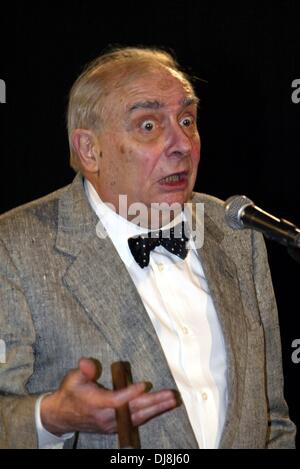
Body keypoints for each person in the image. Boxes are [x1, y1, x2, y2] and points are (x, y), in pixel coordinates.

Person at [0, 46, 296, 449]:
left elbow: (271, 419)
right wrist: (51, 417)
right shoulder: (15, 248)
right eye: (148, 126)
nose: (182, 145)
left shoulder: (235, 233)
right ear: (90, 150)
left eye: (187, 120)